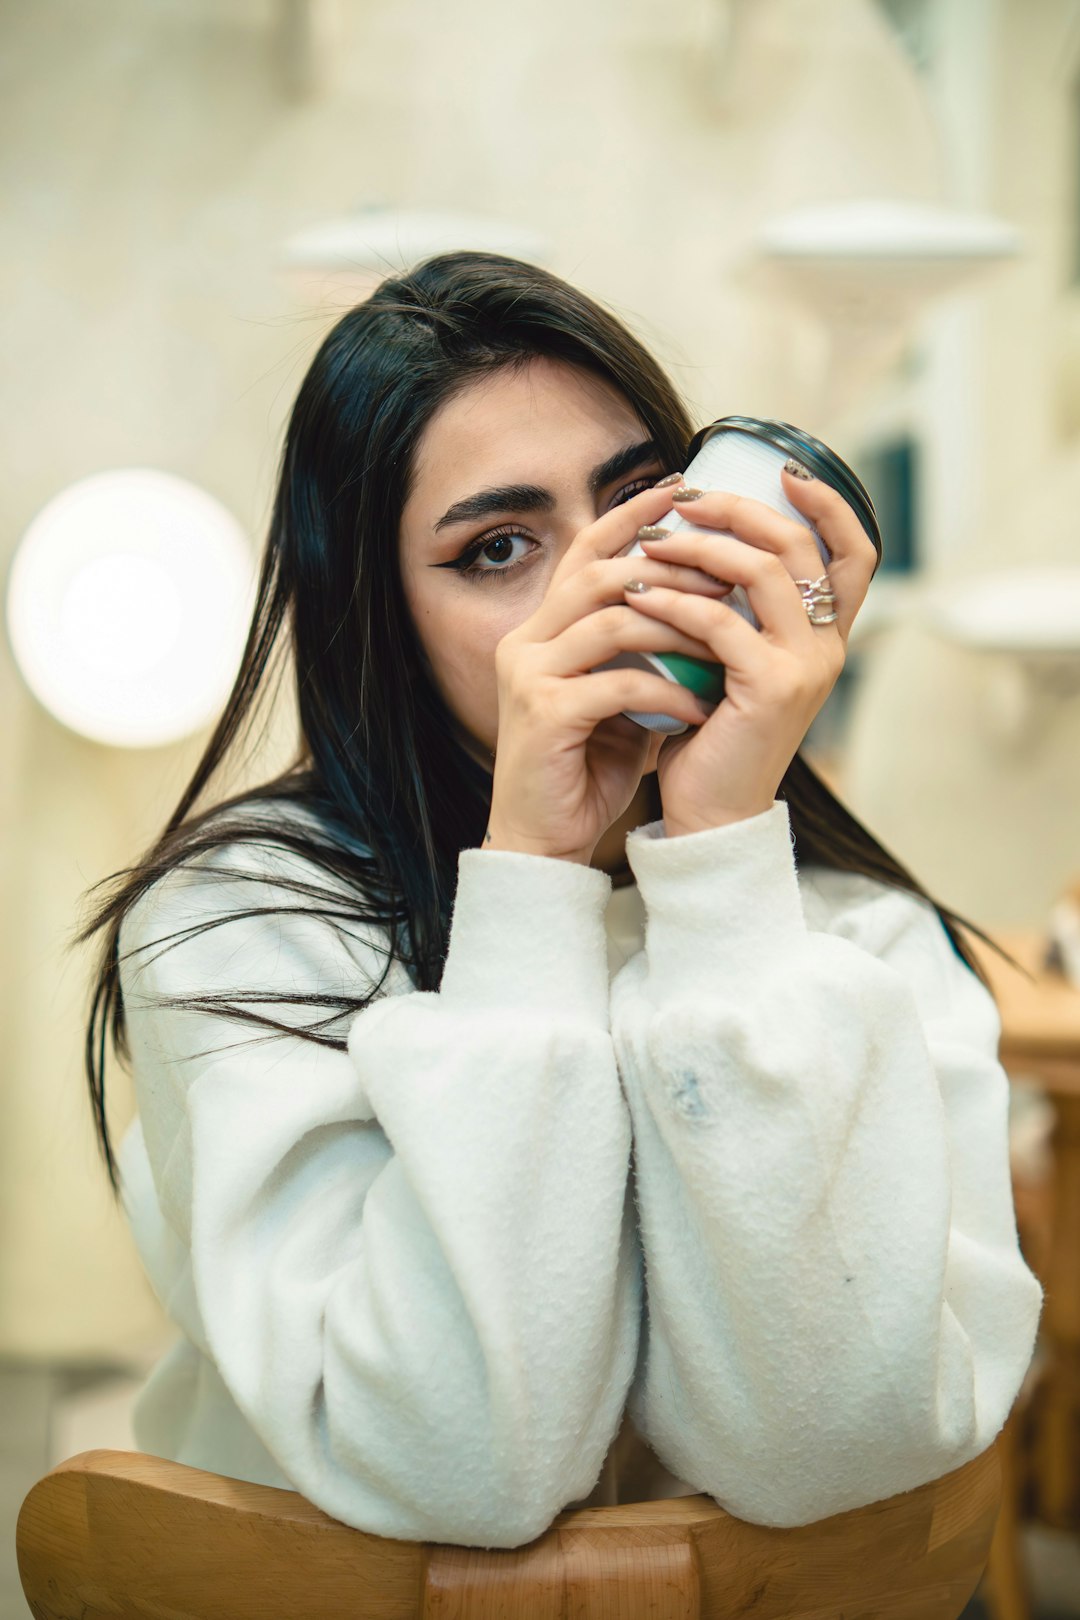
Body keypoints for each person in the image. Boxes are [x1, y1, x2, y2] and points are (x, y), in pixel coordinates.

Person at [74, 251, 1043, 1551]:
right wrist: (530, 881)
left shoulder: (852, 932)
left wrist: (718, 869)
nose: (612, 582)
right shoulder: (241, 925)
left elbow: (823, 1452)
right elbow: (457, 1465)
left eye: (646, 498)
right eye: (501, 548)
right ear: (383, 615)